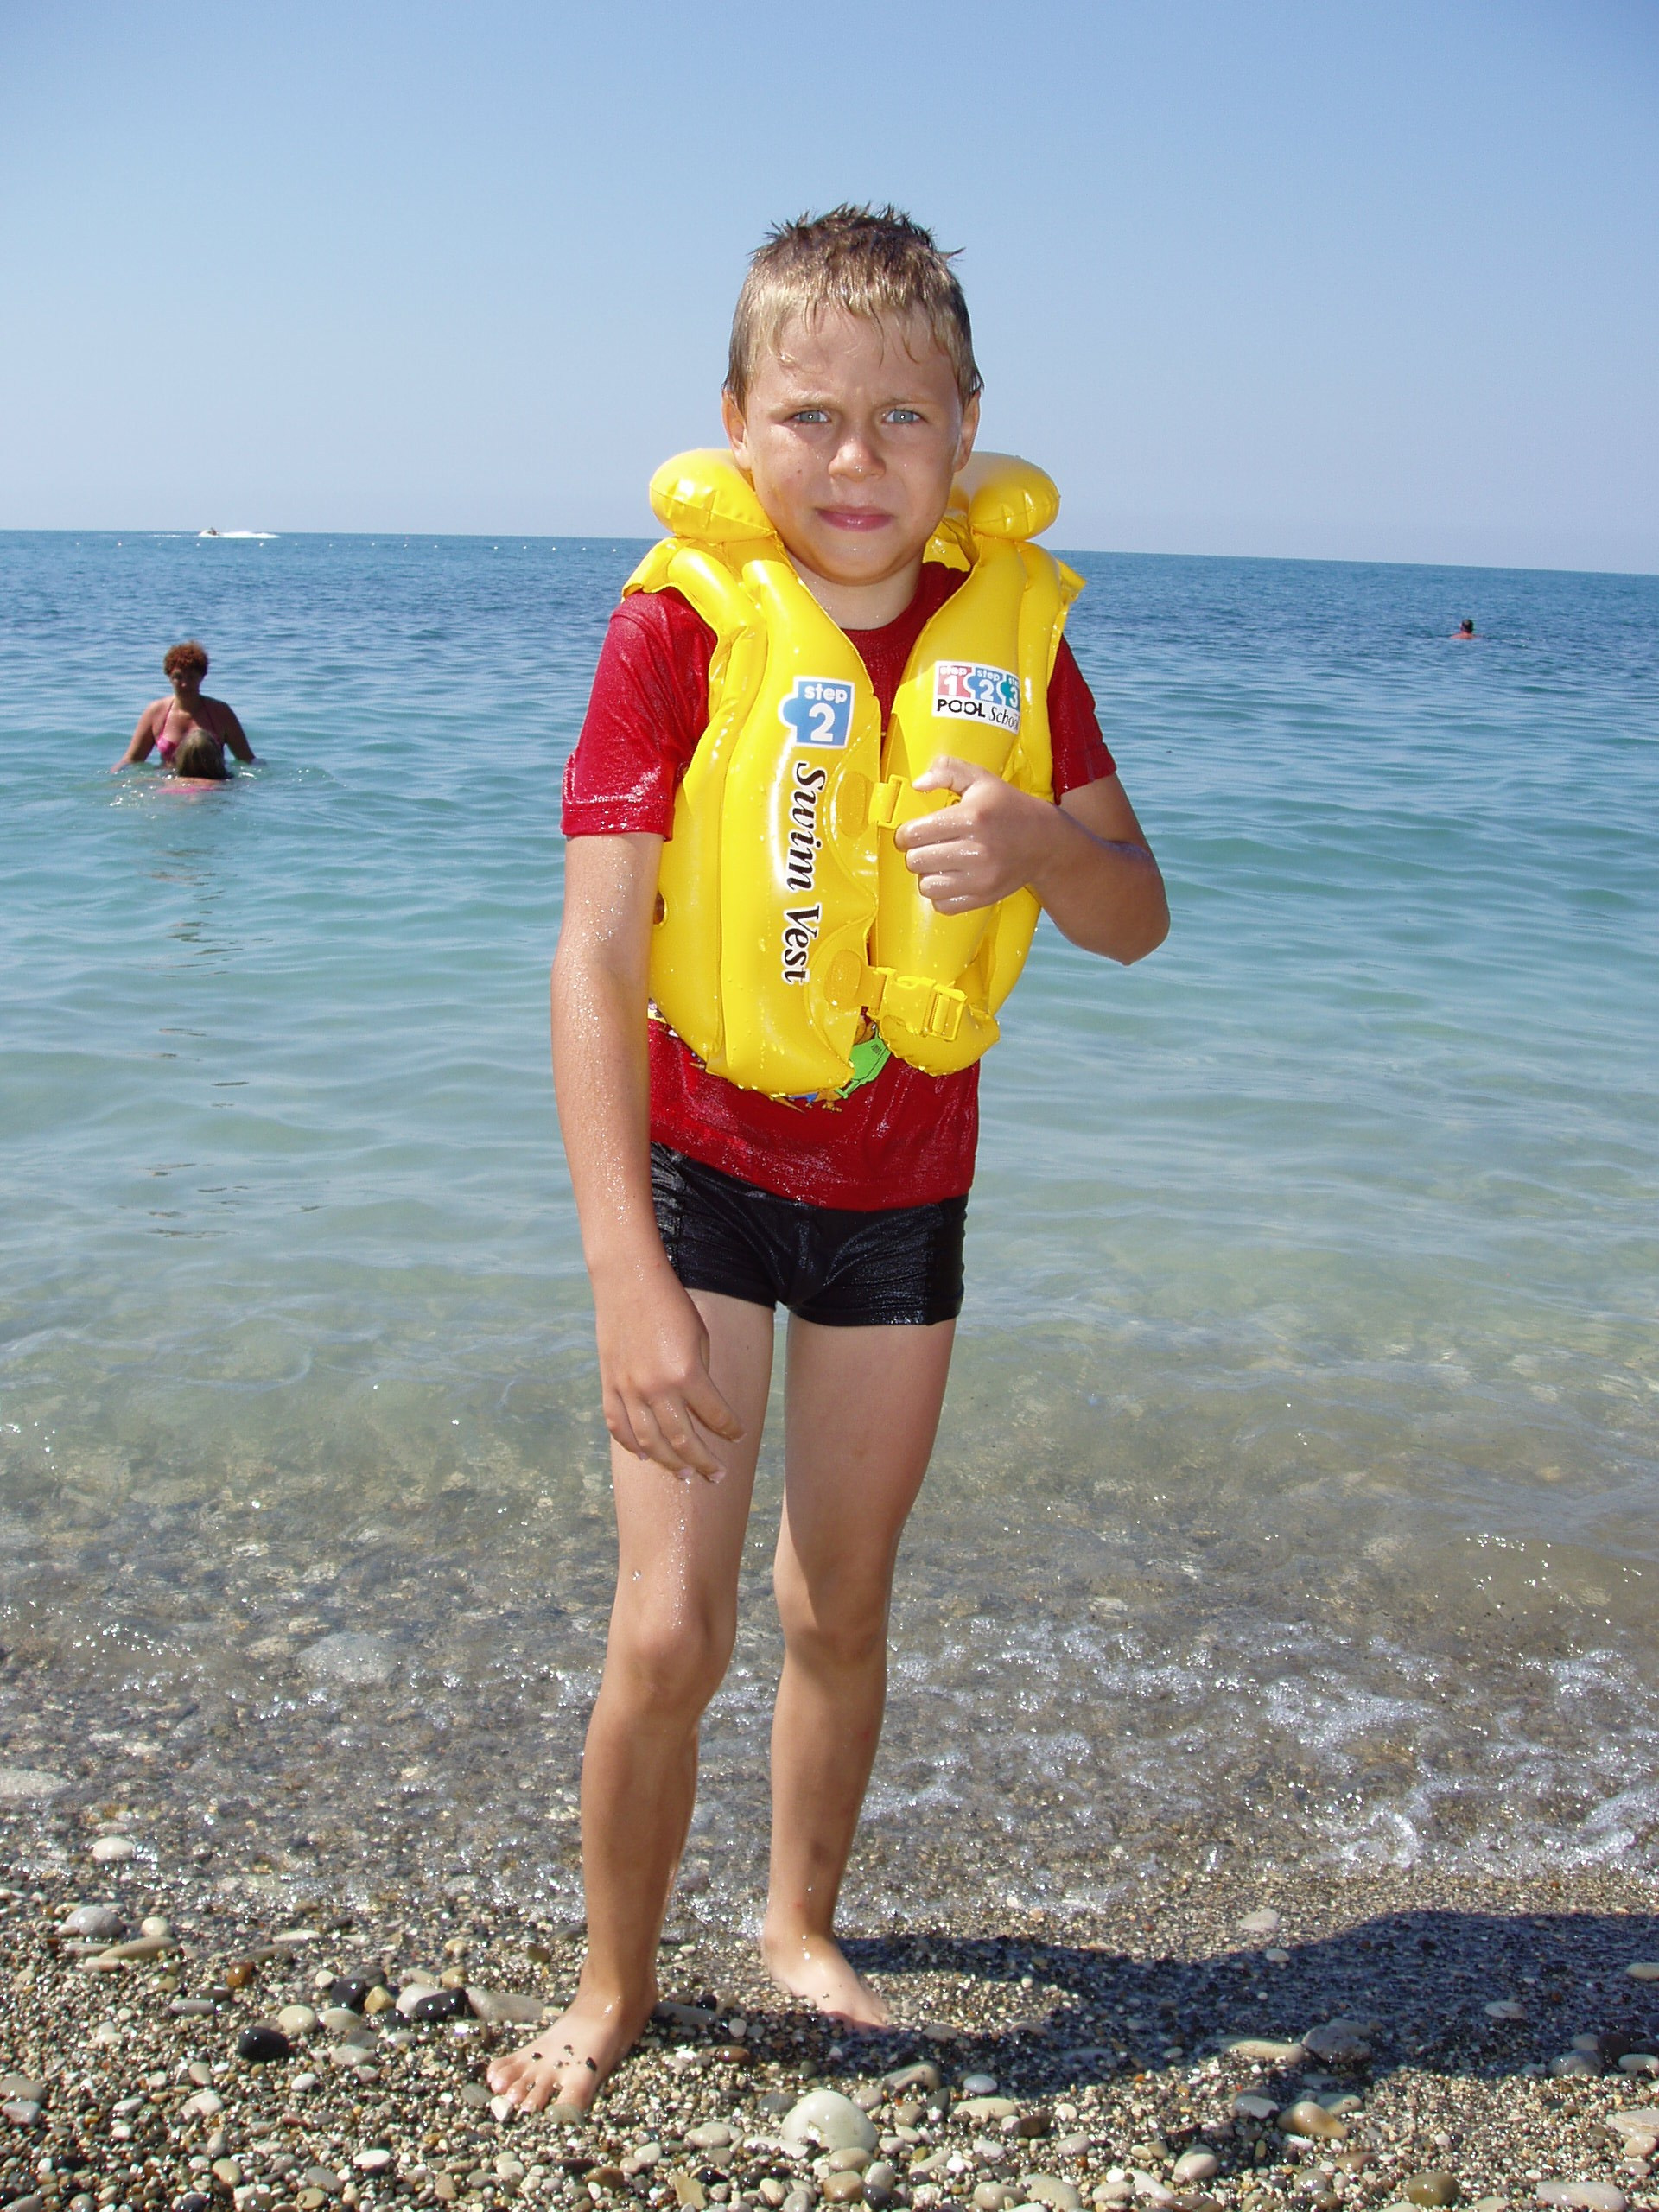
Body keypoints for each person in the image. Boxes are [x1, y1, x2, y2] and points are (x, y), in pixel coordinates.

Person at [489, 206, 1168, 2118]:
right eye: (808, 415)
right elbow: (595, 955)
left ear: (967, 429)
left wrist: (1041, 846)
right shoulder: (674, 628)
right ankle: (614, 1983)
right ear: (735, 422)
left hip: (900, 1198)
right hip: (701, 1180)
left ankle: (798, 1924)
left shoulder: (1012, 648)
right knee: (668, 1624)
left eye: (902, 416)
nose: (855, 458)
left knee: (836, 1602)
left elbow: (1137, 917)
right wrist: (623, 1271)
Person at [114, 641, 255, 772]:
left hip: (213, 782)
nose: (185, 684)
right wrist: (111, 780)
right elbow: (132, 760)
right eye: (178, 677)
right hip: (169, 781)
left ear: (202, 677)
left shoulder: (221, 712)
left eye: (191, 677)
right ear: (169, 677)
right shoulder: (156, 712)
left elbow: (247, 759)